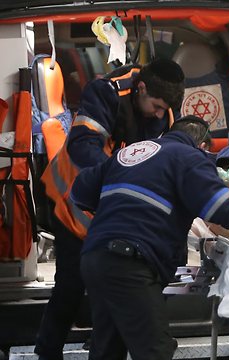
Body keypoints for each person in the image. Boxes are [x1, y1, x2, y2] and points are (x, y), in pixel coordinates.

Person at [71, 116, 229, 360]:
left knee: (107, 349)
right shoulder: (189, 158)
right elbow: (222, 207)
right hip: (130, 263)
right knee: (155, 351)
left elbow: (79, 190)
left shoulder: (132, 152)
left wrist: (117, 206)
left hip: (95, 257)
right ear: (202, 147)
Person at [36, 58, 186, 360]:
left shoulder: (166, 108)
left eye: (163, 109)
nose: (159, 114)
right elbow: (82, 146)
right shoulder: (105, 93)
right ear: (140, 88)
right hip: (74, 200)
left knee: (111, 283)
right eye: (155, 106)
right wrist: (125, 175)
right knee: (71, 284)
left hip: (115, 210)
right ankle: (48, 351)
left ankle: (101, 346)